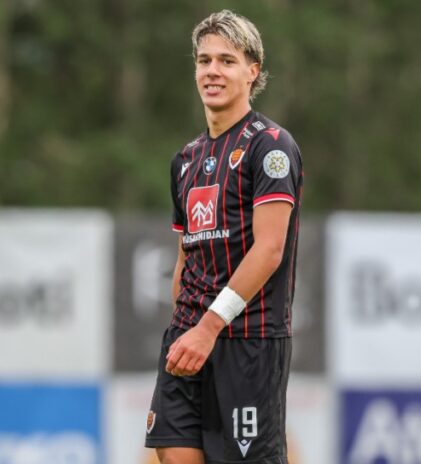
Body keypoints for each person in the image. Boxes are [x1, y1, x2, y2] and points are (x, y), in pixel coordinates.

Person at [144, 9, 303, 464]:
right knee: (172, 453)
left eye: (227, 61)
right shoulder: (186, 159)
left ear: (253, 71)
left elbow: (269, 250)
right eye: (204, 60)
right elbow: (185, 256)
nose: (212, 71)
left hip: (247, 342)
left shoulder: (270, 146)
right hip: (190, 339)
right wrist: (184, 329)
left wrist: (209, 327)